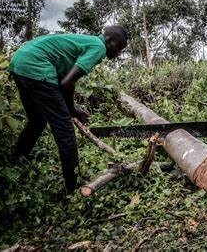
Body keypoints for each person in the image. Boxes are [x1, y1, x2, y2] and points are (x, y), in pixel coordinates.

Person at [8, 26, 128, 193]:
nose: (118, 53)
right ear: (109, 41)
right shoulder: (99, 47)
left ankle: (14, 161)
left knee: (37, 121)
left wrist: (70, 106)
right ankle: (73, 187)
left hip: (20, 61)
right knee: (65, 130)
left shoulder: (87, 41)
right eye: (119, 48)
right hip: (36, 64)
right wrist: (71, 109)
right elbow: (67, 83)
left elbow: (61, 83)